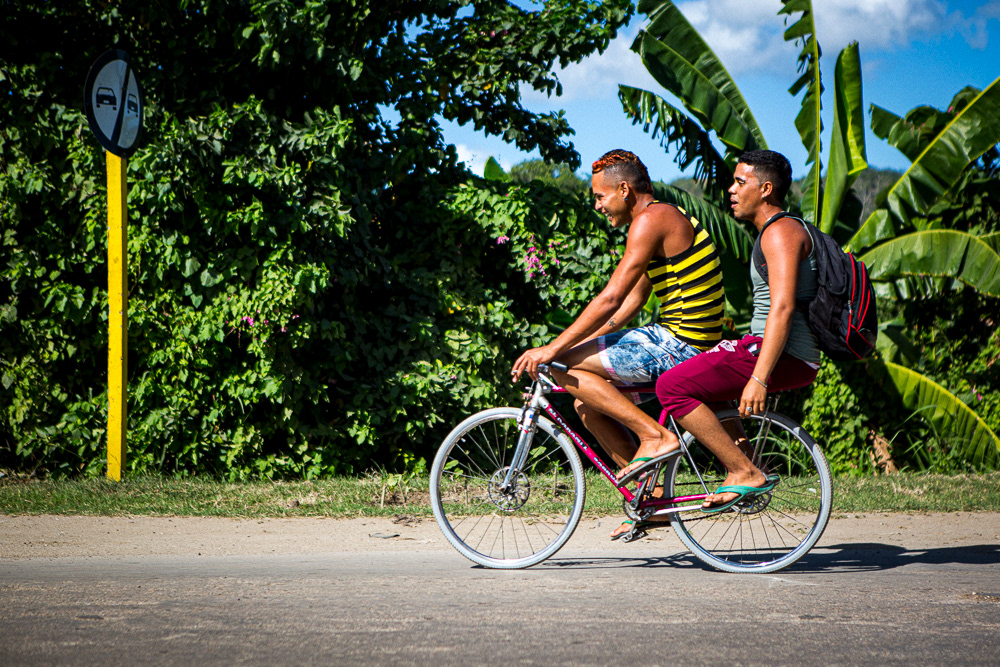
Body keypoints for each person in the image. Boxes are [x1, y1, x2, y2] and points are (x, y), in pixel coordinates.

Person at [511, 149, 725, 536]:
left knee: (562, 367)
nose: (598, 206)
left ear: (624, 189)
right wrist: (578, 343)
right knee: (585, 401)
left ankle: (655, 437)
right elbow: (630, 303)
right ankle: (653, 496)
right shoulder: (662, 218)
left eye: (600, 196)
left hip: (681, 345)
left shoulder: (651, 220)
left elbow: (610, 297)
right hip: (672, 338)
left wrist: (552, 350)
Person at [616, 149, 820, 512]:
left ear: (766, 189)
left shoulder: (781, 233)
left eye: (741, 182)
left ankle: (744, 472)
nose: (731, 189)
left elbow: (783, 307)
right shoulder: (774, 233)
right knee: (696, 380)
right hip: (768, 348)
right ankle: (673, 497)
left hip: (784, 353)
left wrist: (758, 378)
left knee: (671, 386)